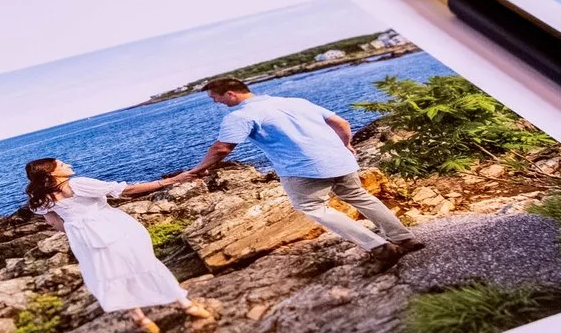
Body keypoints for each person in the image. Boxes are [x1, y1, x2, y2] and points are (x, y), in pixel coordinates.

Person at [179, 76, 420, 269]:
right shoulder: (295, 102)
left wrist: (198, 169)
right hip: (339, 159)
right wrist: (345, 145)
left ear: (231, 94)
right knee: (359, 196)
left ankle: (380, 248)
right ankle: (405, 239)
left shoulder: (241, 115)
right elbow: (342, 123)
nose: (216, 102)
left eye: (216, 98)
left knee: (314, 207)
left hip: (303, 169)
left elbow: (222, 148)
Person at [24, 158, 215, 333]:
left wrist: (78, 231)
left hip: (82, 237)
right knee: (141, 263)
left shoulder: (40, 198)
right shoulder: (77, 184)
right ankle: (185, 304)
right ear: (51, 173)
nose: (67, 165)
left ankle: (139, 318)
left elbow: (54, 223)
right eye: (61, 164)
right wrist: (170, 181)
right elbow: (127, 190)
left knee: (110, 273)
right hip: (109, 225)